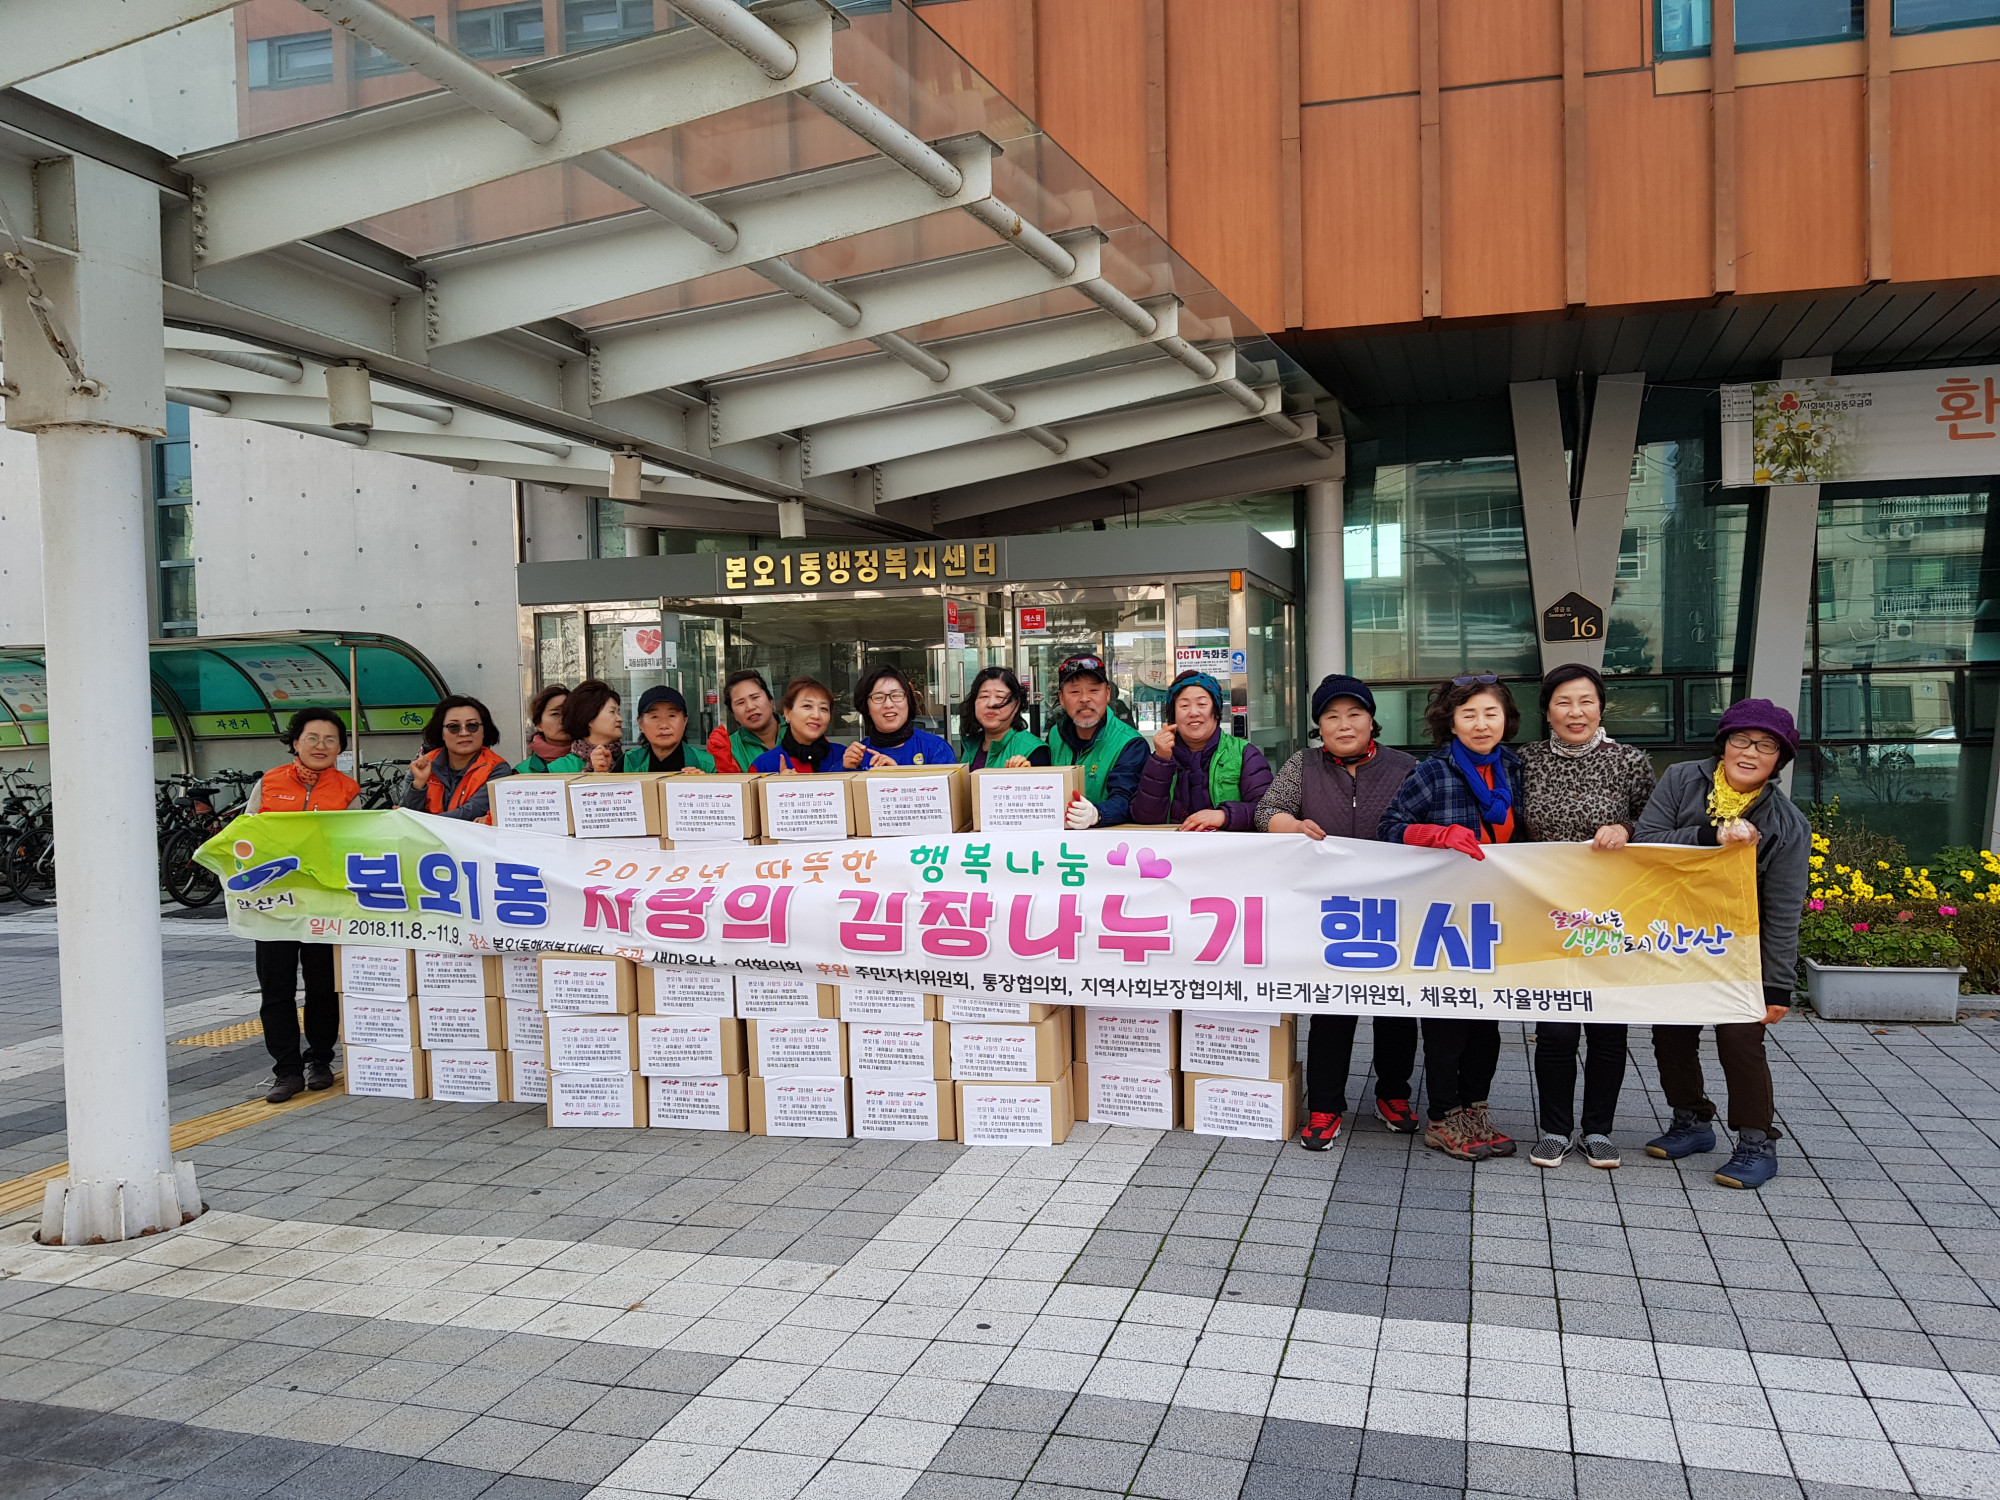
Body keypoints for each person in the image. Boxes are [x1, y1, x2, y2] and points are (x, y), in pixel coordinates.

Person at [1633, 699, 1808, 1190]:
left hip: (1740, 948)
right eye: (1741, 740)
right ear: (1723, 744)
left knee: (1739, 1038)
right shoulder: (1682, 779)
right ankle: (1691, 1119)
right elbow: (1647, 841)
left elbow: (1783, 911)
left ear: (1779, 759)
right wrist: (1712, 835)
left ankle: (1757, 1142)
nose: (1750, 752)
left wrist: (1777, 987)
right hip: (1677, 935)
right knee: (1670, 1032)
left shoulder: (1788, 824)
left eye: (1766, 746)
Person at [1256, 674, 1421, 1147]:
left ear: (1372, 720)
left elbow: (1425, 821)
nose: (1344, 725)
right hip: (1329, 911)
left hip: (1395, 906)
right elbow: (1267, 811)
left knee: (1396, 1007)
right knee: (1331, 1008)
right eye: (1331, 716)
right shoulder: (1303, 765)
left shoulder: (1406, 766)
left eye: (1354, 714)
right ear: (1319, 726)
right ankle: (1325, 1106)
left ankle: (1394, 1094)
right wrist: (1290, 825)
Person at [1517, 663, 1658, 1171]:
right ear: (1547, 711)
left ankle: (1598, 1129)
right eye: (1563, 702)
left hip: (1613, 912)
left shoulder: (1630, 761)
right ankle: (1554, 1129)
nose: (1575, 712)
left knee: (1607, 1027)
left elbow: (1657, 826)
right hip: (1546, 911)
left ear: (1601, 706)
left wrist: (1626, 828)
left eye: (1585, 701)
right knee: (1555, 1028)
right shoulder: (1526, 761)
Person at [1379, 672, 1523, 1162]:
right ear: (1451, 722)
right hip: (1443, 918)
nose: (1481, 724)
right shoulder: (1433, 771)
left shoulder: (1514, 768)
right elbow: (1389, 828)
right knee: (1447, 1022)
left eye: (1490, 713)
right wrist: (1436, 835)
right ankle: (1443, 1119)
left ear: (1506, 719)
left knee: (1487, 1026)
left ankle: (1474, 1112)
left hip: (1497, 916)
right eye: (1469, 714)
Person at [245, 708, 360, 1103]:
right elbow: (245, 836)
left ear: (340, 747)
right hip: (273, 904)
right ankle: (286, 1071)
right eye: (312, 738)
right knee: (275, 990)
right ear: (295, 742)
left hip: (324, 905)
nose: (321, 746)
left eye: (330, 739)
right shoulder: (269, 783)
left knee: (323, 988)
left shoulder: (348, 789)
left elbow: (357, 845)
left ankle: (320, 1061)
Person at [1131, 671, 1272, 830]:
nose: (1193, 713)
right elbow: (1144, 818)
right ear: (1173, 715)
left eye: (1202, 704)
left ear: (1216, 711)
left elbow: (1268, 813)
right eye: (1184, 705)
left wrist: (1225, 815)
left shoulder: (1245, 754)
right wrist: (1161, 761)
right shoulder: (1161, 757)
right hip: (1171, 852)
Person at [1049, 653, 1146, 829]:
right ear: (1062, 698)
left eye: (1094, 690)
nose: (1085, 699)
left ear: (1107, 693)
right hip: (1058, 846)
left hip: (1106, 846)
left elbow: (1127, 799)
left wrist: (1097, 814)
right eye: (1075, 692)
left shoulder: (1130, 743)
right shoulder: (1055, 734)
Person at [403, 695, 512, 821]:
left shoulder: (498, 769)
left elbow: (472, 812)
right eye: (453, 727)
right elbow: (405, 817)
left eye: (472, 726)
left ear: (484, 731)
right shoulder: (422, 765)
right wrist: (418, 785)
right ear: (441, 733)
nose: (464, 733)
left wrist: (424, 824)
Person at [843, 665, 956, 768]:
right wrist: (848, 769)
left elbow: (946, 790)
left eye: (896, 695)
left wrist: (898, 777)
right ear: (866, 707)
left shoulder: (935, 748)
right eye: (878, 697)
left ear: (908, 701)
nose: (888, 704)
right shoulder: (857, 755)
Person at [752, 677, 850, 772]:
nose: (816, 715)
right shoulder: (763, 765)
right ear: (787, 713)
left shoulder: (844, 757)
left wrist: (844, 768)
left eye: (823, 708)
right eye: (807, 706)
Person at [961, 666, 1050, 769]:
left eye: (1000, 697)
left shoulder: (1032, 749)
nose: (991, 704)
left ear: (1016, 705)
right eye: (984, 696)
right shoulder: (971, 745)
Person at [621, 685, 714, 773]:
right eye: (654, 717)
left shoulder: (708, 765)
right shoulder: (628, 762)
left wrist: (703, 785)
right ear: (640, 723)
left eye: (672, 715)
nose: (664, 725)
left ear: (685, 721)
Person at [708, 669, 782, 773]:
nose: (750, 707)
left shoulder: (798, 731)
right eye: (740, 703)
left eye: (755, 697)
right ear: (733, 714)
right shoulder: (729, 748)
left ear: (770, 700)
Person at [547, 680, 624, 773]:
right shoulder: (558, 769)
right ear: (588, 717)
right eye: (612, 712)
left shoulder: (630, 762)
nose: (620, 719)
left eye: (618, 712)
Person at [515, 684, 572, 773]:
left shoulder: (592, 759)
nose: (564, 720)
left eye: (568, 713)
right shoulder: (523, 771)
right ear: (539, 724)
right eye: (555, 714)